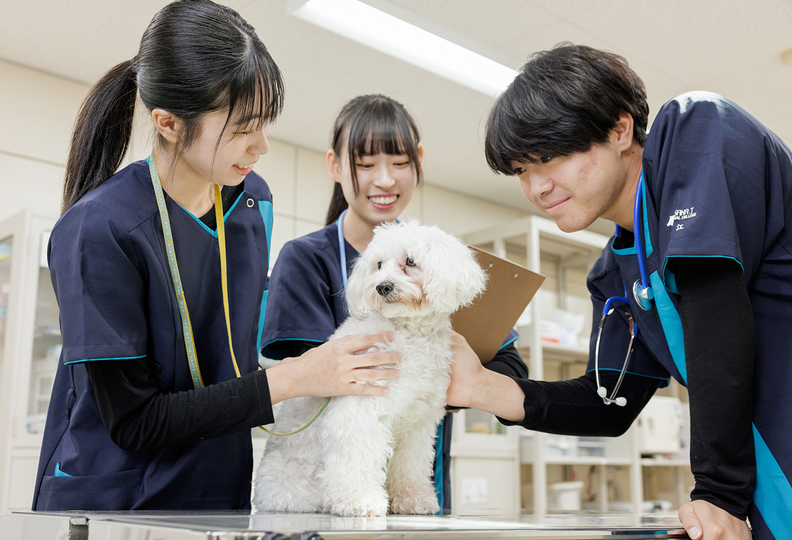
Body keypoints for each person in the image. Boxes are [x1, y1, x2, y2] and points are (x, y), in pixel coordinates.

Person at [32, 0, 401, 512]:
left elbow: (231, 363)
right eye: (244, 127)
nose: (262, 146)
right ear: (168, 123)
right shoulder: (100, 227)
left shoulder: (252, 203)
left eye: (266, 122)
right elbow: (134, 421)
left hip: (220, 492)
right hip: (117, 499)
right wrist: (298, 376)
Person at [446, 43, 792, 540]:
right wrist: (478, 386)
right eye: (523, 170)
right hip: (769, 489)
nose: (537, 187)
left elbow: (714, 307)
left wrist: (718, 493)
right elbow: (609, 403)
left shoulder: (696, 130)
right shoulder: (614, 273)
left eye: (551, 157)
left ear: (620, 129)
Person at [260, 94, 529, 513]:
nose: (384, 180)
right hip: (323, 487)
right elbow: (313, 379)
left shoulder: (439, 259)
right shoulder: (305, 259)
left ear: (418, 161)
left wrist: (445, 376)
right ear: (335, 166)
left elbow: (509, 366)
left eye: (400, 163)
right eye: (365, 165)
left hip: (418, 482)